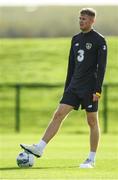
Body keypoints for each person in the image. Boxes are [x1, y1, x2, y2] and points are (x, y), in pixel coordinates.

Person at [20, 8, 107, 168]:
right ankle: (40, 147)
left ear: (92, 21)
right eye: (80, 18)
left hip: (89, 88)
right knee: (58, 114)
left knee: (92, 121)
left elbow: (101, 67)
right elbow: (71, 66)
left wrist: (97, 90)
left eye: (84, 19)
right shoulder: (75, 39)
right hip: (74, 87)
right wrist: (67, 88)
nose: (81, 21)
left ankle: (91, 159)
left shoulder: (99, 40)